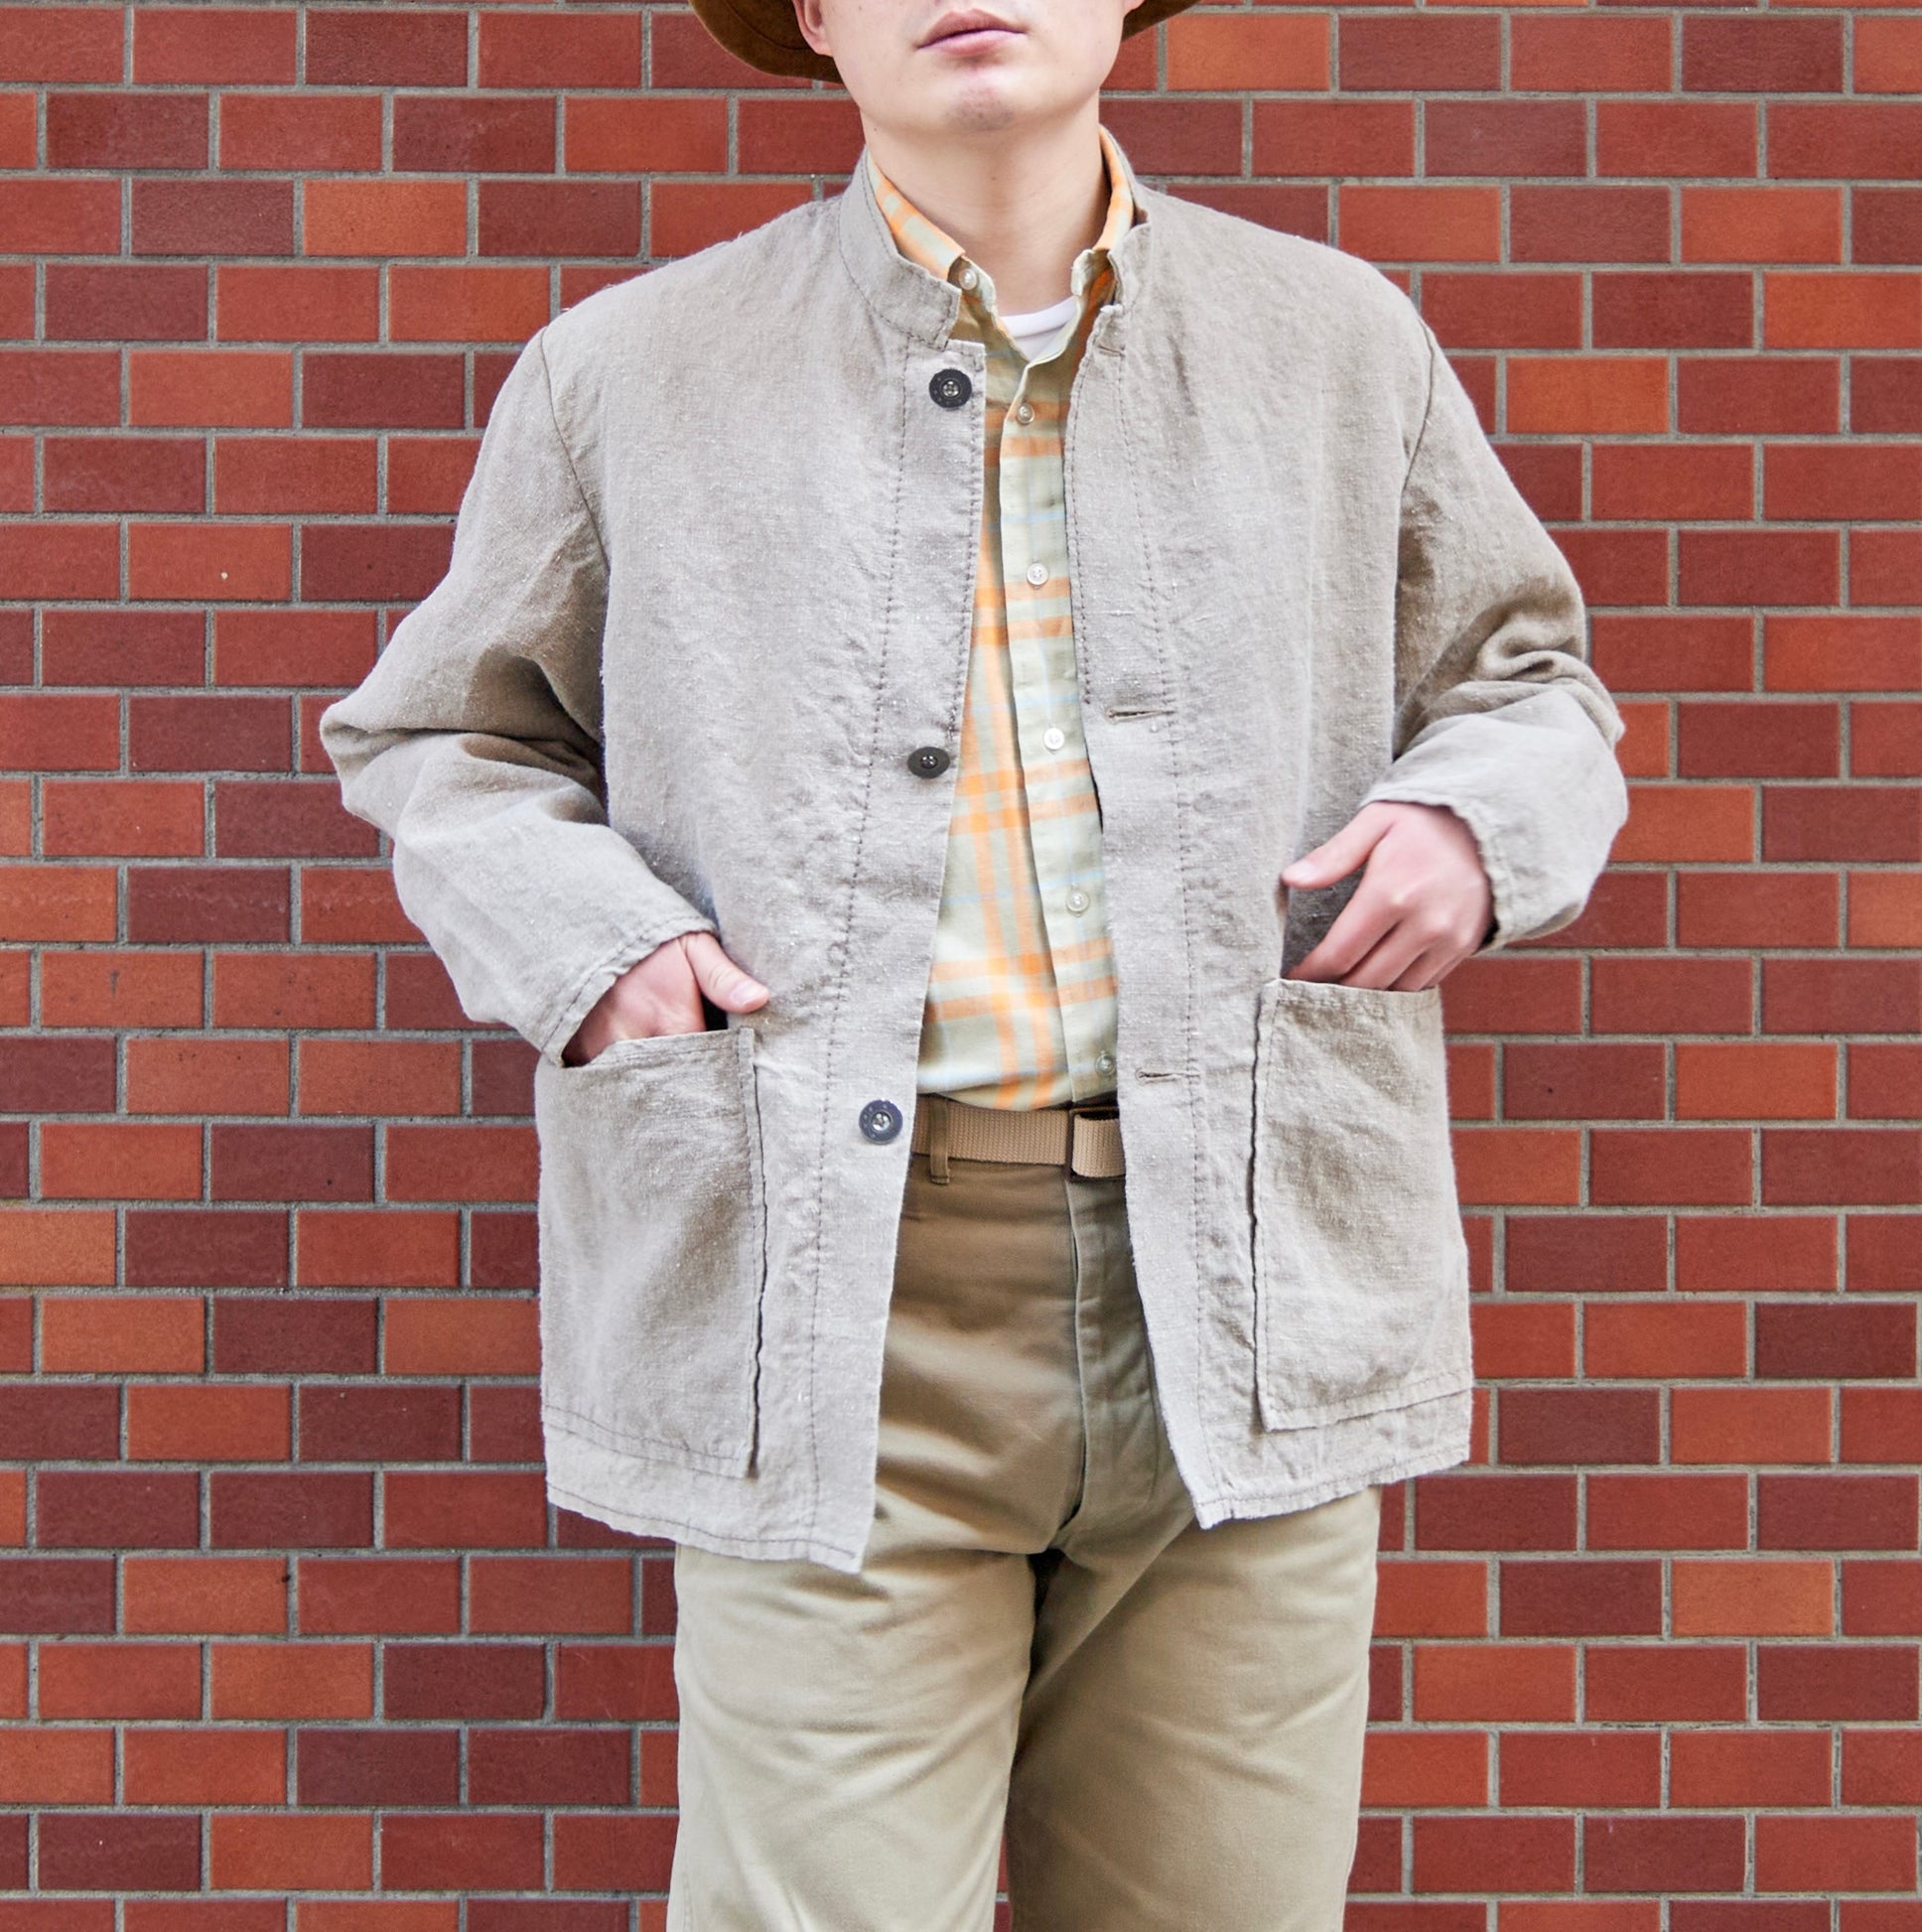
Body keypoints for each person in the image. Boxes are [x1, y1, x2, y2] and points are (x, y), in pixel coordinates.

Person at [317, 0, 1630, 1916]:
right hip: (833, 1302)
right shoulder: (630, 372)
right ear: (816, 19)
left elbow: (1527, 679)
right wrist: (600, 947)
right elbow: (443, 736)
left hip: (1249, 1279)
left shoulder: (1334, 342)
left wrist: (1468, 823)